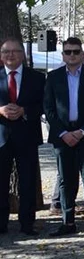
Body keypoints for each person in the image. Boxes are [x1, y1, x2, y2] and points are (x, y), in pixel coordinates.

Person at [44, 37, 84, 238]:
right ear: (63, 55)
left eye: (76, 51)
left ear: (83, 55)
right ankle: (67, 221)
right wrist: (63, 133)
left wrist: (82, 132)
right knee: (66, 180)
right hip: (62, 136)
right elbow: (48, 108)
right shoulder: (52, 77)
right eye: (68, 52)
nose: (72, 55)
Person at [0, 38, 46, 235]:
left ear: (23, 55)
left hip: (27, 136)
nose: (11, 55)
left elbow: (46, 104)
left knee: (27, 181)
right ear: (1, 56)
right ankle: (1, 224)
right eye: (6, 52)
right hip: (1, 137)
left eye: (15, 51)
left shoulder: (36, 78)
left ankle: (27, 223)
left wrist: (25, 110)